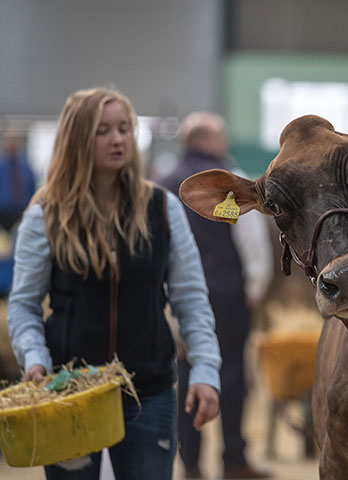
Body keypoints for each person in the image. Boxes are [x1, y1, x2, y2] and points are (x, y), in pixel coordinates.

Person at [8, 87, 222, 480]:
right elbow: (23, 304)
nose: (119, 139)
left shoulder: (162, 208)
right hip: (67, 393)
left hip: (148, 392)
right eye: (103, 130)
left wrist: (207, 371)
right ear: (77, 139)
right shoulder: (45, 215)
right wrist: (34, 356)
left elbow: (191, 298)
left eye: (124, 128)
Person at [158, 112, 273, 479]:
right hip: (227, 295)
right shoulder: (229, 182)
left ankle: (190, 465)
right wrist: (255, 286)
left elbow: (158, 246)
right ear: (207, 139)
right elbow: (252, 242)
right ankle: (234, 461)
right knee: (234, 377)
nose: (225, 143)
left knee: (187, 375)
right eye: (221, 136)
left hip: (178, 297)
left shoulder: (163, 183)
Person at [0, 128, 36, 231]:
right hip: (3, 215)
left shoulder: (26, 167)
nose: (12, 143)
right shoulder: (1, 167)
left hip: (22, 214)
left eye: (14, 140)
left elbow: (32, 190)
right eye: (9, 140)